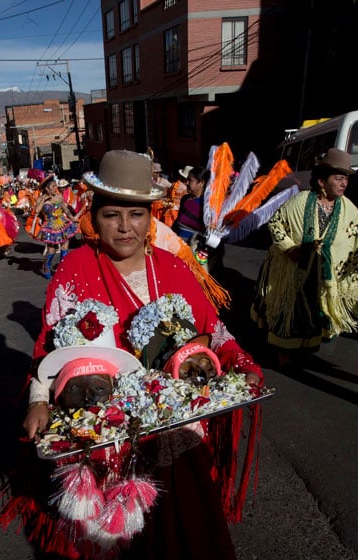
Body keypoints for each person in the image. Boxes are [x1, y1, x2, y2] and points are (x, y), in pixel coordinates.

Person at [19, 150, 263, 559]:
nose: (125, 227)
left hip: (174, 427)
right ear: (94, 217)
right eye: (112, 215)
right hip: (108, 435)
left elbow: (214, 331)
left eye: (136, 215)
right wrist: (39, 400)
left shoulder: (173, 268)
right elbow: (47, 348)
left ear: (151, 217)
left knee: (189, 534)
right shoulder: (74, 269)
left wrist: (242, 365)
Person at [251, 148, 358, 365]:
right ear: (322, 182)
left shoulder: (347, 207)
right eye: (338, 178)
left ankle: (304, 346)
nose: (344, 183)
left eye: (346, 179)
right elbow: (276, 224)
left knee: (313, 311)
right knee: (290, 311)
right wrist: (289, 248)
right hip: (294, 270)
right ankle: (282, 351)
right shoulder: (301, 201)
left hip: (321, 274)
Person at [34, 175, 81, 279]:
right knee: (52, 249)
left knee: (65, 246)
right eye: (53, 187)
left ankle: (62, 269)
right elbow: (36, 211)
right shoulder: (41, 199)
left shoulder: (59, 197)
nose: (56, 189)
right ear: (46, 188)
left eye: (56, 186)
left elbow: (65, 209)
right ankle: (46, 265)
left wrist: (72, 218)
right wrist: (44, 200)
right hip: (51, 226)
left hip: (63, 223)